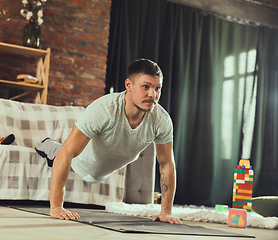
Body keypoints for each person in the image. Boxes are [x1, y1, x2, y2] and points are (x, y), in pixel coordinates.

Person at [36, 59, 182, 224]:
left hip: (103, 170)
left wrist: (166, 211)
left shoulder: (161, 120)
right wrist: (56, 207)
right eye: (146, 87)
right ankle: (49, 146)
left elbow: (166, 163)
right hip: (79, 162)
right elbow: (68, 152)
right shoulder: (104, 110)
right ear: (128, 85)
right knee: (59, 152)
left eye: (157, 88)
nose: (152, 95)